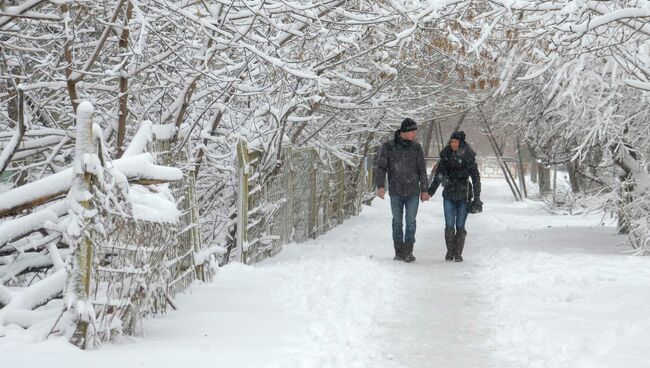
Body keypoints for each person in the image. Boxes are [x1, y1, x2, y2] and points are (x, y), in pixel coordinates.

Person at [375, 118, 430, 262]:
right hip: (396, 191)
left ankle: (408, 250)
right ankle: (399, 251)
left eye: (415, 132)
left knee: (411, 221)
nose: (414, 134)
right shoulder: (389, 147)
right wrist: (380, 186)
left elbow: (422, 171)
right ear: (404, 132)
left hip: (412, 191)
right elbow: (381, 168)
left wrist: (424, 189)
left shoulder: (416, 148)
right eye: (412, 131)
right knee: (397, 222)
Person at [428, 131, 481, 262]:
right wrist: (430, 192)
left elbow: (476, 178)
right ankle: (450, 251)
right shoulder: (446, 156)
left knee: (460, 225)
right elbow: (439, 176)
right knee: (449, 224)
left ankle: (458, 253)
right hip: (449, 194)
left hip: (464, 195)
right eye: (451, 141)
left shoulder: (469, 157)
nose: (453, 144)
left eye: (456, 142)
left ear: (461, 143)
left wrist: (477, 197)